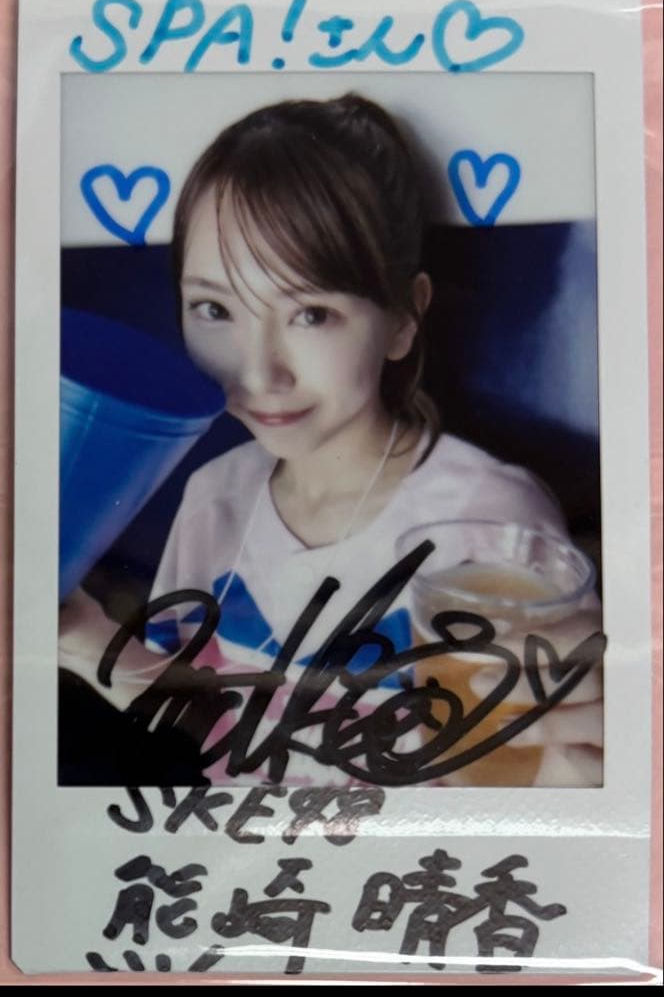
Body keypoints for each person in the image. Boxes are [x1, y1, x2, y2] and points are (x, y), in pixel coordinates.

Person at [59, 94, 603, 788]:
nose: (259, 373)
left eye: (311, 313)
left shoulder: (493, 524)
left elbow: (536, 773)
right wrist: (81, 637)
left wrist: (575, 776)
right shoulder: (212, 496)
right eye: (215, 308)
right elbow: (209, 722)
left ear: (402, 319)